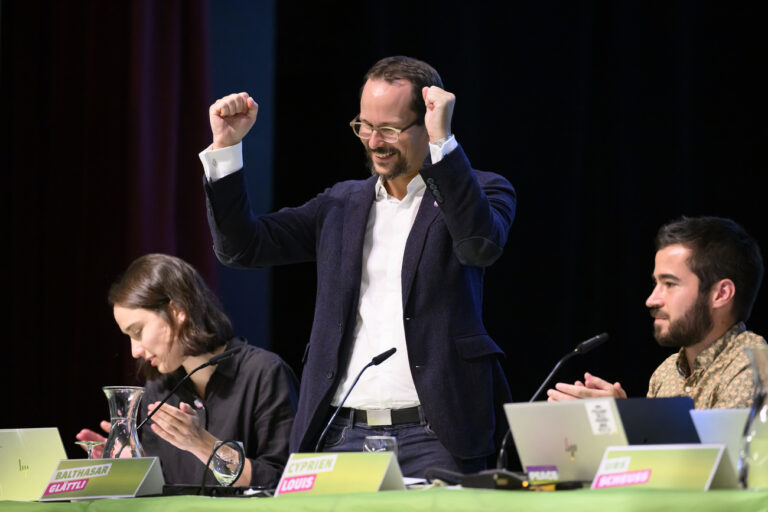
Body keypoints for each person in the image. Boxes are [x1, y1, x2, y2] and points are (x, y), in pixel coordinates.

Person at [199, 56, 516, 477]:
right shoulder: (340, 204)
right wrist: (226, 149)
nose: (373, 141)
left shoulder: (480, 189)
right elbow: (242, 248)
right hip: (339, 434)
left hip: (436, 436)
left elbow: (479, 245)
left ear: (427, 122)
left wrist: (444, 145)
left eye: (389, 129)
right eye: (364, 126)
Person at [76, 254, 299, 487]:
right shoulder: (158, 390)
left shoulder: (264, 373)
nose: (135, 351)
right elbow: (163, 489)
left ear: (177, 311)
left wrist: (200, 443)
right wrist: (132, 467)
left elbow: (283, 482)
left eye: (138, 332)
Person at [548, 216, 766, 409]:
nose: (651, 300)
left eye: (670, 284)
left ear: (720, 294)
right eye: (656, 283)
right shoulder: (665, 373)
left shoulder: (754, 363)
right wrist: (621, 420)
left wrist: (630, 420)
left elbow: (721, 453)